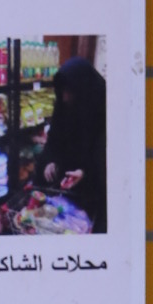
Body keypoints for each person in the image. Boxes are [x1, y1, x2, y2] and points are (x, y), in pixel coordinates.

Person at [40, 37, 107, 233]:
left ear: (83, 90)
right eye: (62, 92)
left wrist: (85, 173)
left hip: (92, 191)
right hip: (64, 186)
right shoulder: (63, 106)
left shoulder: (103, 108)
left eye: (70, 92)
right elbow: (53, 140)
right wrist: (50, 161)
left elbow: (106, 159)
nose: (65, 98)